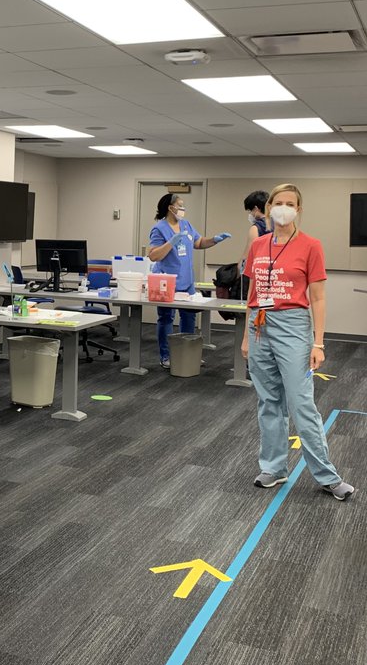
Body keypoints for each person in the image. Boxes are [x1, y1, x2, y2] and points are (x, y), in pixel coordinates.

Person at [242, 184, 354, 501]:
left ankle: (327, 477)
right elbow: (252, 294)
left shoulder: (310, 246)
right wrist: (246, 338)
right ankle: (274, 468)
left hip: (293, 325)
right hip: (259, 325)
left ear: (299, 209)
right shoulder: (258, 245)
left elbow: (318, 298)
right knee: (268, 402)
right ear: (268, 208)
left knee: (301, 404)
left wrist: (318, 343)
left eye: (290, 203)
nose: (284, 207)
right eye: (278, 202)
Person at [147, 192, 231, 368]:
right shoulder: (159, 228)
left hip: (187, 281)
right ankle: (166, 356)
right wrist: (171, 242)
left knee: (189, 317)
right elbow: (154, 255)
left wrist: (215, 239)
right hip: (167, 281)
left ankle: (187, 353)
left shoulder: (186, 225)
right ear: (171, 208)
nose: (183, 209)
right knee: (166, 319)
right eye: (180, 205)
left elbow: (199, 243)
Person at [240, 189, 270, 303]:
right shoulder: (280, 226)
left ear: (256, 208)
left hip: (259, 275)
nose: (250, 214)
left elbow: (248, 256)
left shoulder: (256, 228)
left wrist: (239, 269)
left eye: (250, 210)